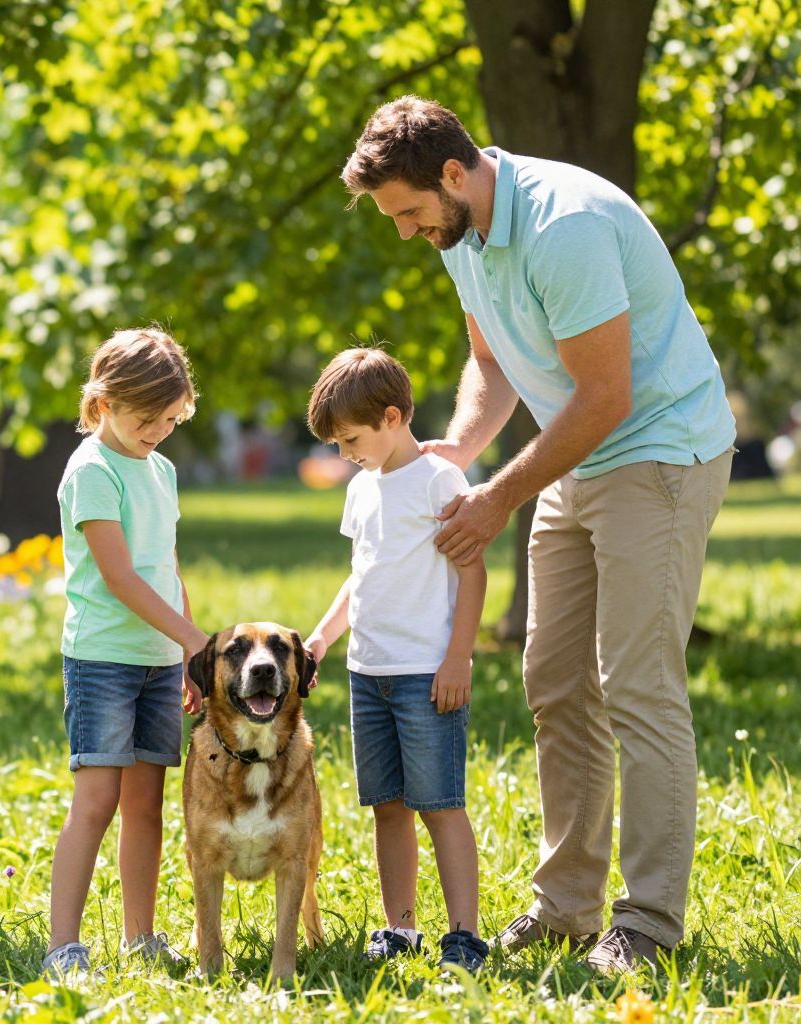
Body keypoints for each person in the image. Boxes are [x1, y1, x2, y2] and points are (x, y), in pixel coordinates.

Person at [342, 96, 736, 973]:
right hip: (579, 456)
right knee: (555, 681)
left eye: (407, 213)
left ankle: (648, 924)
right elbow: (492, 359)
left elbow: (608, 398)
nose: (406, 233)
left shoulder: (566, 226)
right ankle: (565, 910)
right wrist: (462, 448)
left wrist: (499, 497)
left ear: (453, 174)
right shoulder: (464, 237)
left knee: (637, 683)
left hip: (659, 452)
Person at [304, 348, 489, 973]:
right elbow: (361, 577)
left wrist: (457, 658)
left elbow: (472, 573)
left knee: (440, 805)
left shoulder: (439, 481)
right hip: (369, 674)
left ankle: (463, 934)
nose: (345, 453)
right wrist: (324, 638)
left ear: (391, 417)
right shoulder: (361, 489)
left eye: (351, 439)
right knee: (388, 805)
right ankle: (399, 928)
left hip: (425, 674)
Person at [43, 326, 207, 979]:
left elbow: (165, 567)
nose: (158, 431)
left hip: (161, 662)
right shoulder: (92, 471)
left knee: (147, 804)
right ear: (103, 402)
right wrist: (194, 639)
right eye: (146, 418)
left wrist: (187, 646)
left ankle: (140, 935)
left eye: (170, 420)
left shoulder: (161, 468)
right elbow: (121, 578)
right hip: (104, 661)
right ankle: (64, 944)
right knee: (97, 801)